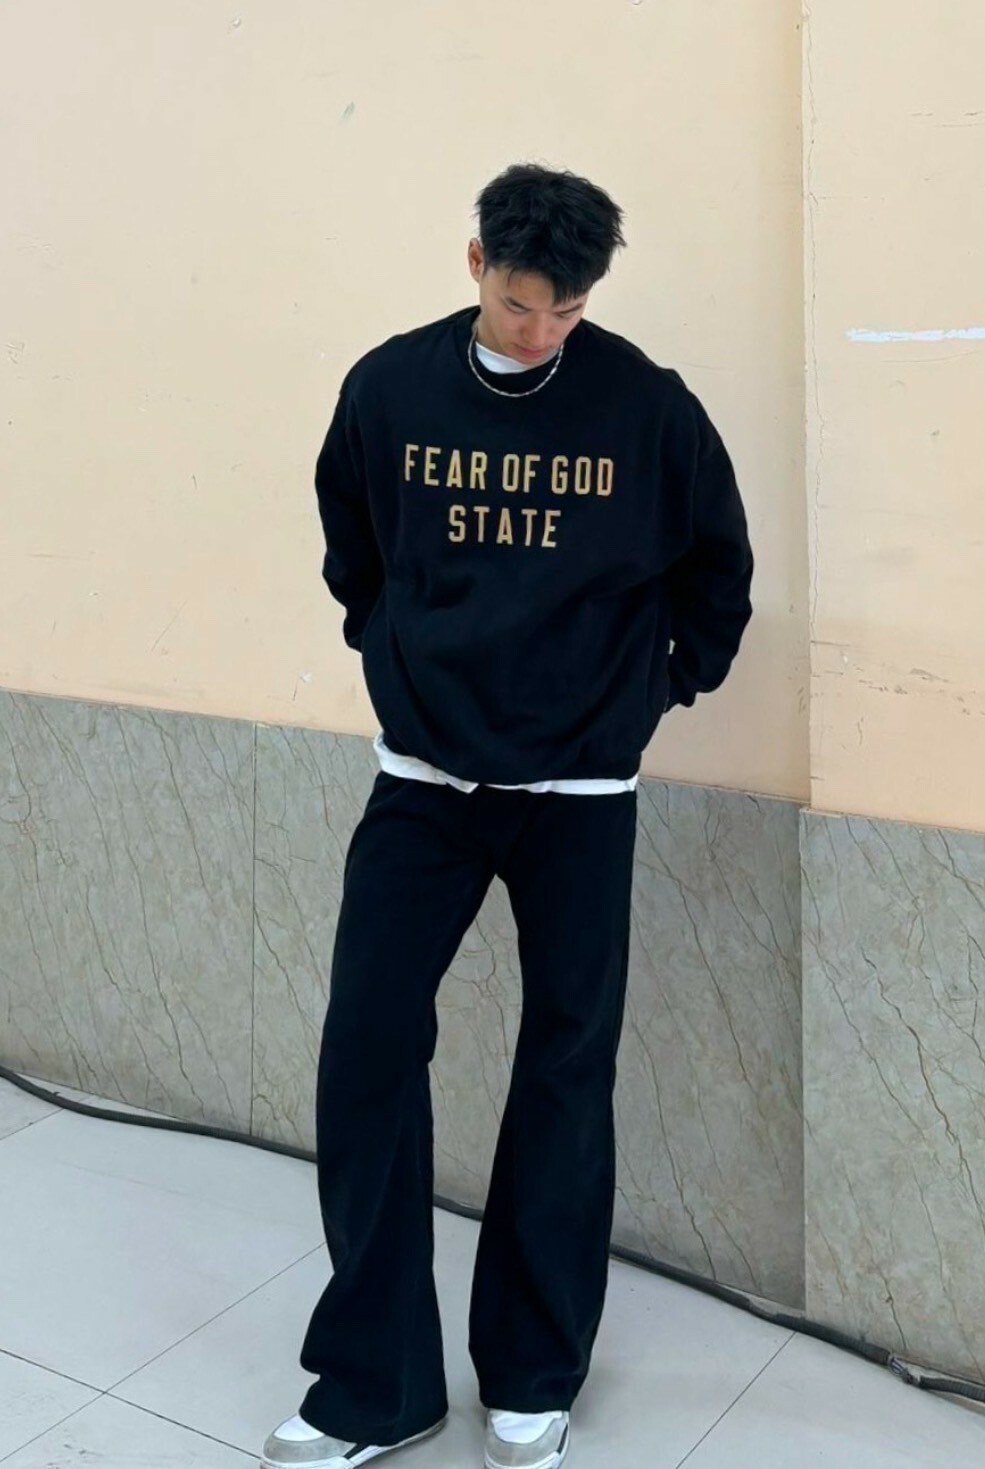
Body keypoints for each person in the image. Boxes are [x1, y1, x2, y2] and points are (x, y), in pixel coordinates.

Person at [261, 162, 754, 1469]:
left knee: (566, 1065)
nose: (544, 333)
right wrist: (399, 655)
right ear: (477, 263)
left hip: (580, 794)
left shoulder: (645, 407)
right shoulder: (390, 389)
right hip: (425, 781)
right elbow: (353, 548)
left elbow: (719, 569)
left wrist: (652, 691)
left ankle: (532, 1371)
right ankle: (376, 1382)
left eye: (569, 311)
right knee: (367, 1049)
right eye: (524, 303)